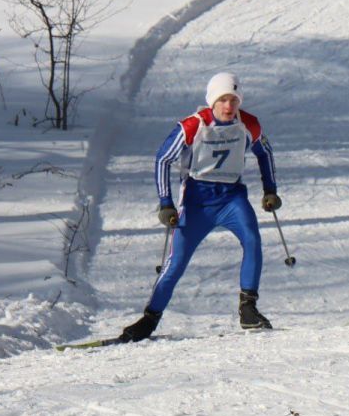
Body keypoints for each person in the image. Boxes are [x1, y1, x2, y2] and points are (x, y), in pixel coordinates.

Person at [119, 72, 282, 342]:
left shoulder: (248, 123)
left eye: (233, 100)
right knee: (176, 263)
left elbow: (265, 152)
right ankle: (149, 319)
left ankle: (248, 308)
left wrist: (270, 190)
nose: (228, 107)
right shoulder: (193, 125)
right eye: (222, 100)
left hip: (231, 197)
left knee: (253, 240)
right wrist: (166, 203)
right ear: (212, 102)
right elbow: (162, 159)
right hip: (198, 200)